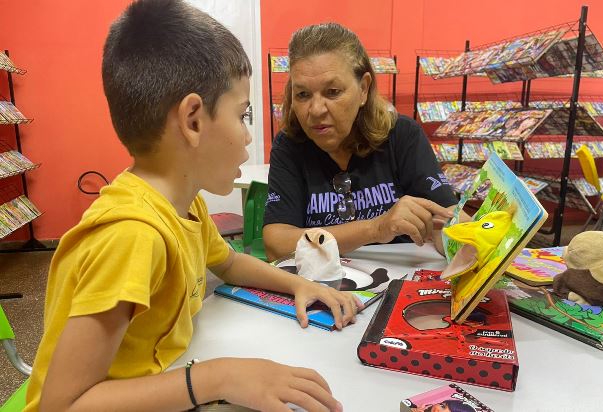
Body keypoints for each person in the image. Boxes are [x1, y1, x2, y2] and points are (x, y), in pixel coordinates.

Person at [24, 2, 360, 411]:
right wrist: (217, 377)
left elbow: (230, 264)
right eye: (243, 114)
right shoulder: (132, 237)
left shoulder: (185, 207)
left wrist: (300, 284)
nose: (249, 137)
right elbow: (61, 406)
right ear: (194, 120)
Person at [263, 23, 459, 261]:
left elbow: (446, 221)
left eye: (333, 91)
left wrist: (469, 239)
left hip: (400, 285)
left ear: (363, 89)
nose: (315, 110)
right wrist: (376, 228)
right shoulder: (290, 145)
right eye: (302, 94)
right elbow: (276, 243)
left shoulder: (402, 135)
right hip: (324, 286)